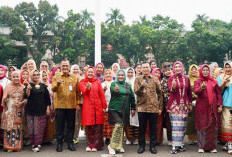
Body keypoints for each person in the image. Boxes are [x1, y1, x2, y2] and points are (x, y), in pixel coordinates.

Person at [52, 60, 80, 152]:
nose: (64, 67)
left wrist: (78, 103)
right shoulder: (56, 77)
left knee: (71, 126)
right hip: (60, 105)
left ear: (69, 67)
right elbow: (53, 89)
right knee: (60, 126)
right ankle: (59, 144)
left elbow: (77, 92)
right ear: (60, 67)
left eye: (66, 66)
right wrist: (58, 84)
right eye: (63, 66)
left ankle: (70, 143)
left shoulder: (74, 77)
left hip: (71, 105)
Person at [134, 62, 162, 154]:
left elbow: (160, 93)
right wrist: (142, 86)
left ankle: (152, 146)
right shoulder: (138, 79)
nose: (145, 69)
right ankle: (141, 146)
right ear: (141, 69)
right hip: (141, 107)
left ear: (150, 69)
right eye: (143, 68)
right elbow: (136, 92)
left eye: (147, 67)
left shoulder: (155, 79)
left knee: (153, 128)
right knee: (141, 128)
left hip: (153, 107)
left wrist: (160, 107)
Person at [194, 64, 222, 153]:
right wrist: (201, 88)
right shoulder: (198, 81)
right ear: (201, 71)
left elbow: (218, 94)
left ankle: (212, 147)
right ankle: (201, 146)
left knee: (212, 126)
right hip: (201, 108)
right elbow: (196, 92)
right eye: (204, 70)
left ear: (209, 71)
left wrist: (219, 105)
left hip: (212, 108)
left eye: (207, 70)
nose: (205, 72)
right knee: (202, 126)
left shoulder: (213, 81)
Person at [107, 69, 136, 155]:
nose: (120, 77)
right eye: (119, 75)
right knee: (118, 125)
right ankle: (111, 146)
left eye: (122, 75)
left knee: (122, 127)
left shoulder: (128, 85)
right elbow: (113, 90)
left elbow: (132, 97)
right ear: (116, 76)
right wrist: (116, 90)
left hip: (125, 109)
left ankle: (118, 146)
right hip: (115, 109)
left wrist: (133, 108)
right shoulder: (113, 84)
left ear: (125, 76)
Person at [79, 66, 107, 152]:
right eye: (89, 72)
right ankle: (89, 144)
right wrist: (87, 88)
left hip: (97, 106)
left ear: (94, 73)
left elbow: (101, 95)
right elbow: (83, 91)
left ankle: (96, 145)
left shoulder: (97, 82)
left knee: (97, 126)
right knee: (89, 126)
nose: (90, 73)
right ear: (86, 73)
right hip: (88, 107)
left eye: (92, 72)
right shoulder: (82, 82)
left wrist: (104, 106)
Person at [167, 61, 192, 154]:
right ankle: (174, 145)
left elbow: (189, 92)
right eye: (176, 67)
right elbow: (171, 89)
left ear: (182, 68)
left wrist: (189, 103)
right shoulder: (171, 78)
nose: (177, 68)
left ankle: (180, 144)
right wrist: (173, 86)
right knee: (175, 125)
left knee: (182, 125)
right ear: (174, 68)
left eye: (179, 67)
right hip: (174, 105)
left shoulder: (186, 78)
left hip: (184, 105)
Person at [24, 69, 51, 152]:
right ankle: (34, 144)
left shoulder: (43, 86)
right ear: (31, 76)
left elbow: (47, 99)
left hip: (41, 111)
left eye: (37, 74)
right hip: (31, 111)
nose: (36, 76)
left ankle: (37, 143)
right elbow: (26, 96)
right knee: (32, 128)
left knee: (39, 128)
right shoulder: (29, 85)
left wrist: (47, 109)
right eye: (34, 75)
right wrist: (28, 89)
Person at [1, 71, 26, 152]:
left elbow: (26, 99)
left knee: (18, 128)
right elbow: (4, 98)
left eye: (17, 76)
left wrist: (21, 103)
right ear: (11, 78)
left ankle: (17, 146)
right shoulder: (8, 86)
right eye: (14, 77)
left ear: (20, 77)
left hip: (19, 110)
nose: (16, 78)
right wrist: (6, 99)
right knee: (9, 128)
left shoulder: (22, 87)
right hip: (10, 110)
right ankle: (9, 146)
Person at [217, 62, 232, 154]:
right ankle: (229, 143)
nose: (227, 69)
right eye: (226, 67)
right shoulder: (220, 77)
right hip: (226, 104)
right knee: (227, 125)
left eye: (229, 67)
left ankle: (229, 144)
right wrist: (223, 83)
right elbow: (218, 91)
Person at [124, 68, 139, 145]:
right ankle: (128, 138)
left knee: (135, 121)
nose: (130, 74)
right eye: (128, 72)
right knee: (128, 121)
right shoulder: (124, 81)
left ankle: (135, 138)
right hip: (126, 105)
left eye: (131, 72)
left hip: (135, 104)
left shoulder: (136, 80)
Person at [40, 70, 56, 145]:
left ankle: (48, 139)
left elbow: (53, 96)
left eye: (45, 75)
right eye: (42, 76)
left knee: (50, 123)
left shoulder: (50, 85)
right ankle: (41, 139)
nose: (44, 77)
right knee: (42, 123)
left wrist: (53, 107)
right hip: (41, 107)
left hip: (50, 106)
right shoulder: (38, 86)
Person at [186, 64, 199, 145]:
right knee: (190, 120)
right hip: (190, 102)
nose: (194, 71)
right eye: (192, 69)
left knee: (198, 119)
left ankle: (198, 137)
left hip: (199, 102)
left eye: (195, 69)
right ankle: (190, 138)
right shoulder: (187, 79)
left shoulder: (200, 79)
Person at [161, 62, 173, 146]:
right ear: (164, 72)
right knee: (169, 123)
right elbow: (164, 94)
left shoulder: (175, 78)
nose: (168, 72)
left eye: (169, 70)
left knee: (177, 123)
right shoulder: (163, 81)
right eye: (166, 71)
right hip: (168, 105)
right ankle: (170, 139)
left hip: (178, 105)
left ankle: (178, 138)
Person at [70, 64, 83, 144]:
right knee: (70, 121)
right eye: (74, 69)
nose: (75, 71)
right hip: (70, 103)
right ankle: (69, 136)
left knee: (77, 121)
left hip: (80, 102)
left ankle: (75, 136)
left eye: (77, 69)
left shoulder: (82, 79)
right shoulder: (69, 79)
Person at [101, 69, 114, 145]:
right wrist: (104, 90)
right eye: (107, 73)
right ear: (104, 75)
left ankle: (113, 138)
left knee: (112, 123)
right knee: (106, 123)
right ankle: (107, 138)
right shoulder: (102, 84)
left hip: (113, 106)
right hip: (105, 106)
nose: (108, 75)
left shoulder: (115, 83)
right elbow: (100, 95)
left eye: (110, 73)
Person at [151, 68, 164, 145]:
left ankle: (158, 140)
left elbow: (161, 97)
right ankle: (151, 139)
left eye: (158, 73)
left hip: (158, 107)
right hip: (149, 107)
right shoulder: (149, 81)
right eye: (156, 73)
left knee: (158, 124)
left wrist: (160, 108)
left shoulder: (160, 83)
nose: (157, 74)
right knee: (151, 124)